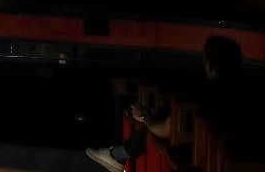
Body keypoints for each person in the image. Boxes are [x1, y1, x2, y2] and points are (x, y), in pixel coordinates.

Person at [85, 36, 243, 172]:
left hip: (205, 159)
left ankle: (117, 156)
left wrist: (144, 117)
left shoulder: (207, 92)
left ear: (209, 62)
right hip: (234, 158)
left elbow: (167, 129)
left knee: (154, 125)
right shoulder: (244, 90)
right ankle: (117, 155)